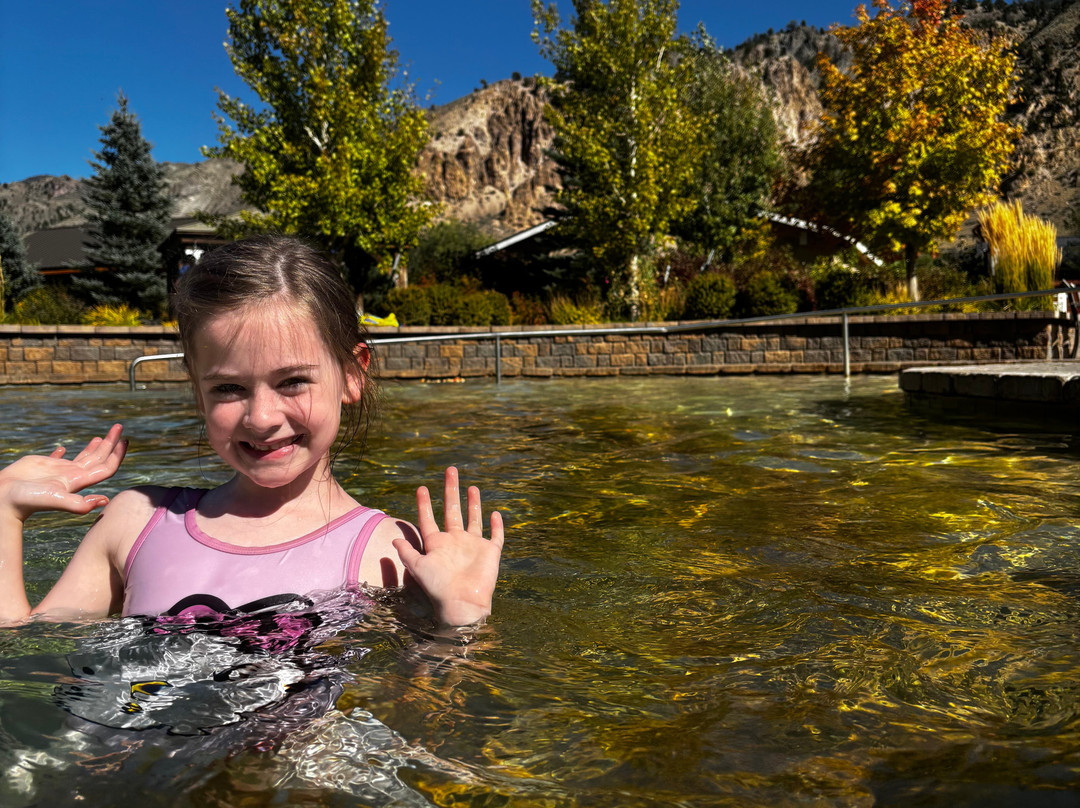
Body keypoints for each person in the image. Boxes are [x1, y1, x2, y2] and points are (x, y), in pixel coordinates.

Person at [0, 235, 503, 627]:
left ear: (352, 375)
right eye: (228, 388)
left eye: (292, 381)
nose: (261, 417)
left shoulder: (393, 552)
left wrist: (461, 622)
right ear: (197, 390)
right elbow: (28, 658)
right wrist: (4, 511)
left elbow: (420, 711)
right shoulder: (134, 523)